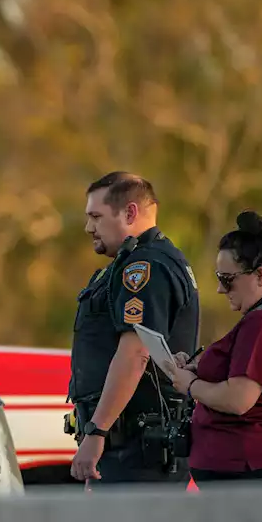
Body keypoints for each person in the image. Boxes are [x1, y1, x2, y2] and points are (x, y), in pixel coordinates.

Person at [68, 172, 201, 484]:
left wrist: (97, 431)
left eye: (96, 217)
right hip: (129, 445)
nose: (89, 227)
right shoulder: (131, 263)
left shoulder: (146, 267)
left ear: (129, 212)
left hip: (138, 449)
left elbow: (135, 352)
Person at [164, 212, 262, 482]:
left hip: (256, 471)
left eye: (226, 278)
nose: (221, 289)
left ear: (261, 276)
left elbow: (238, 399)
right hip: (252, 469)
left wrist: (190, 385)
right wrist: (199, 369)